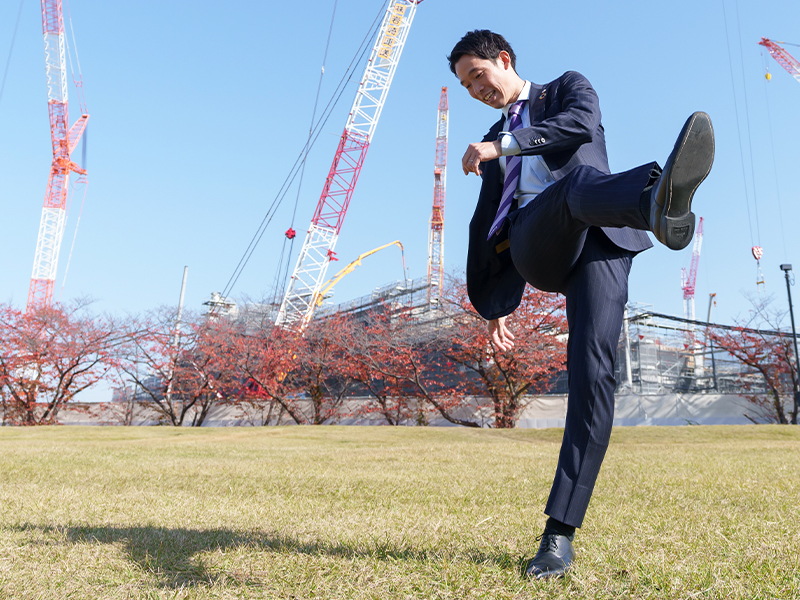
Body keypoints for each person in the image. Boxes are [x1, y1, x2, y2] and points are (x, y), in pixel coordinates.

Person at [447, 30, 714, 580]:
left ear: (504, 59)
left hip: (603, 243)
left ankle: (558, 535)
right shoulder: (490, 140)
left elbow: (580, 127)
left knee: (594, 374)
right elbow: (484, 222)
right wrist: (495, 302)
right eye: (466, 84)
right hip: (535, 242)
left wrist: (505, 145)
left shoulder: (566, 88)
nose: (476, 89)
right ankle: (652, 201)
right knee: (573, 191)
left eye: (478, 74)